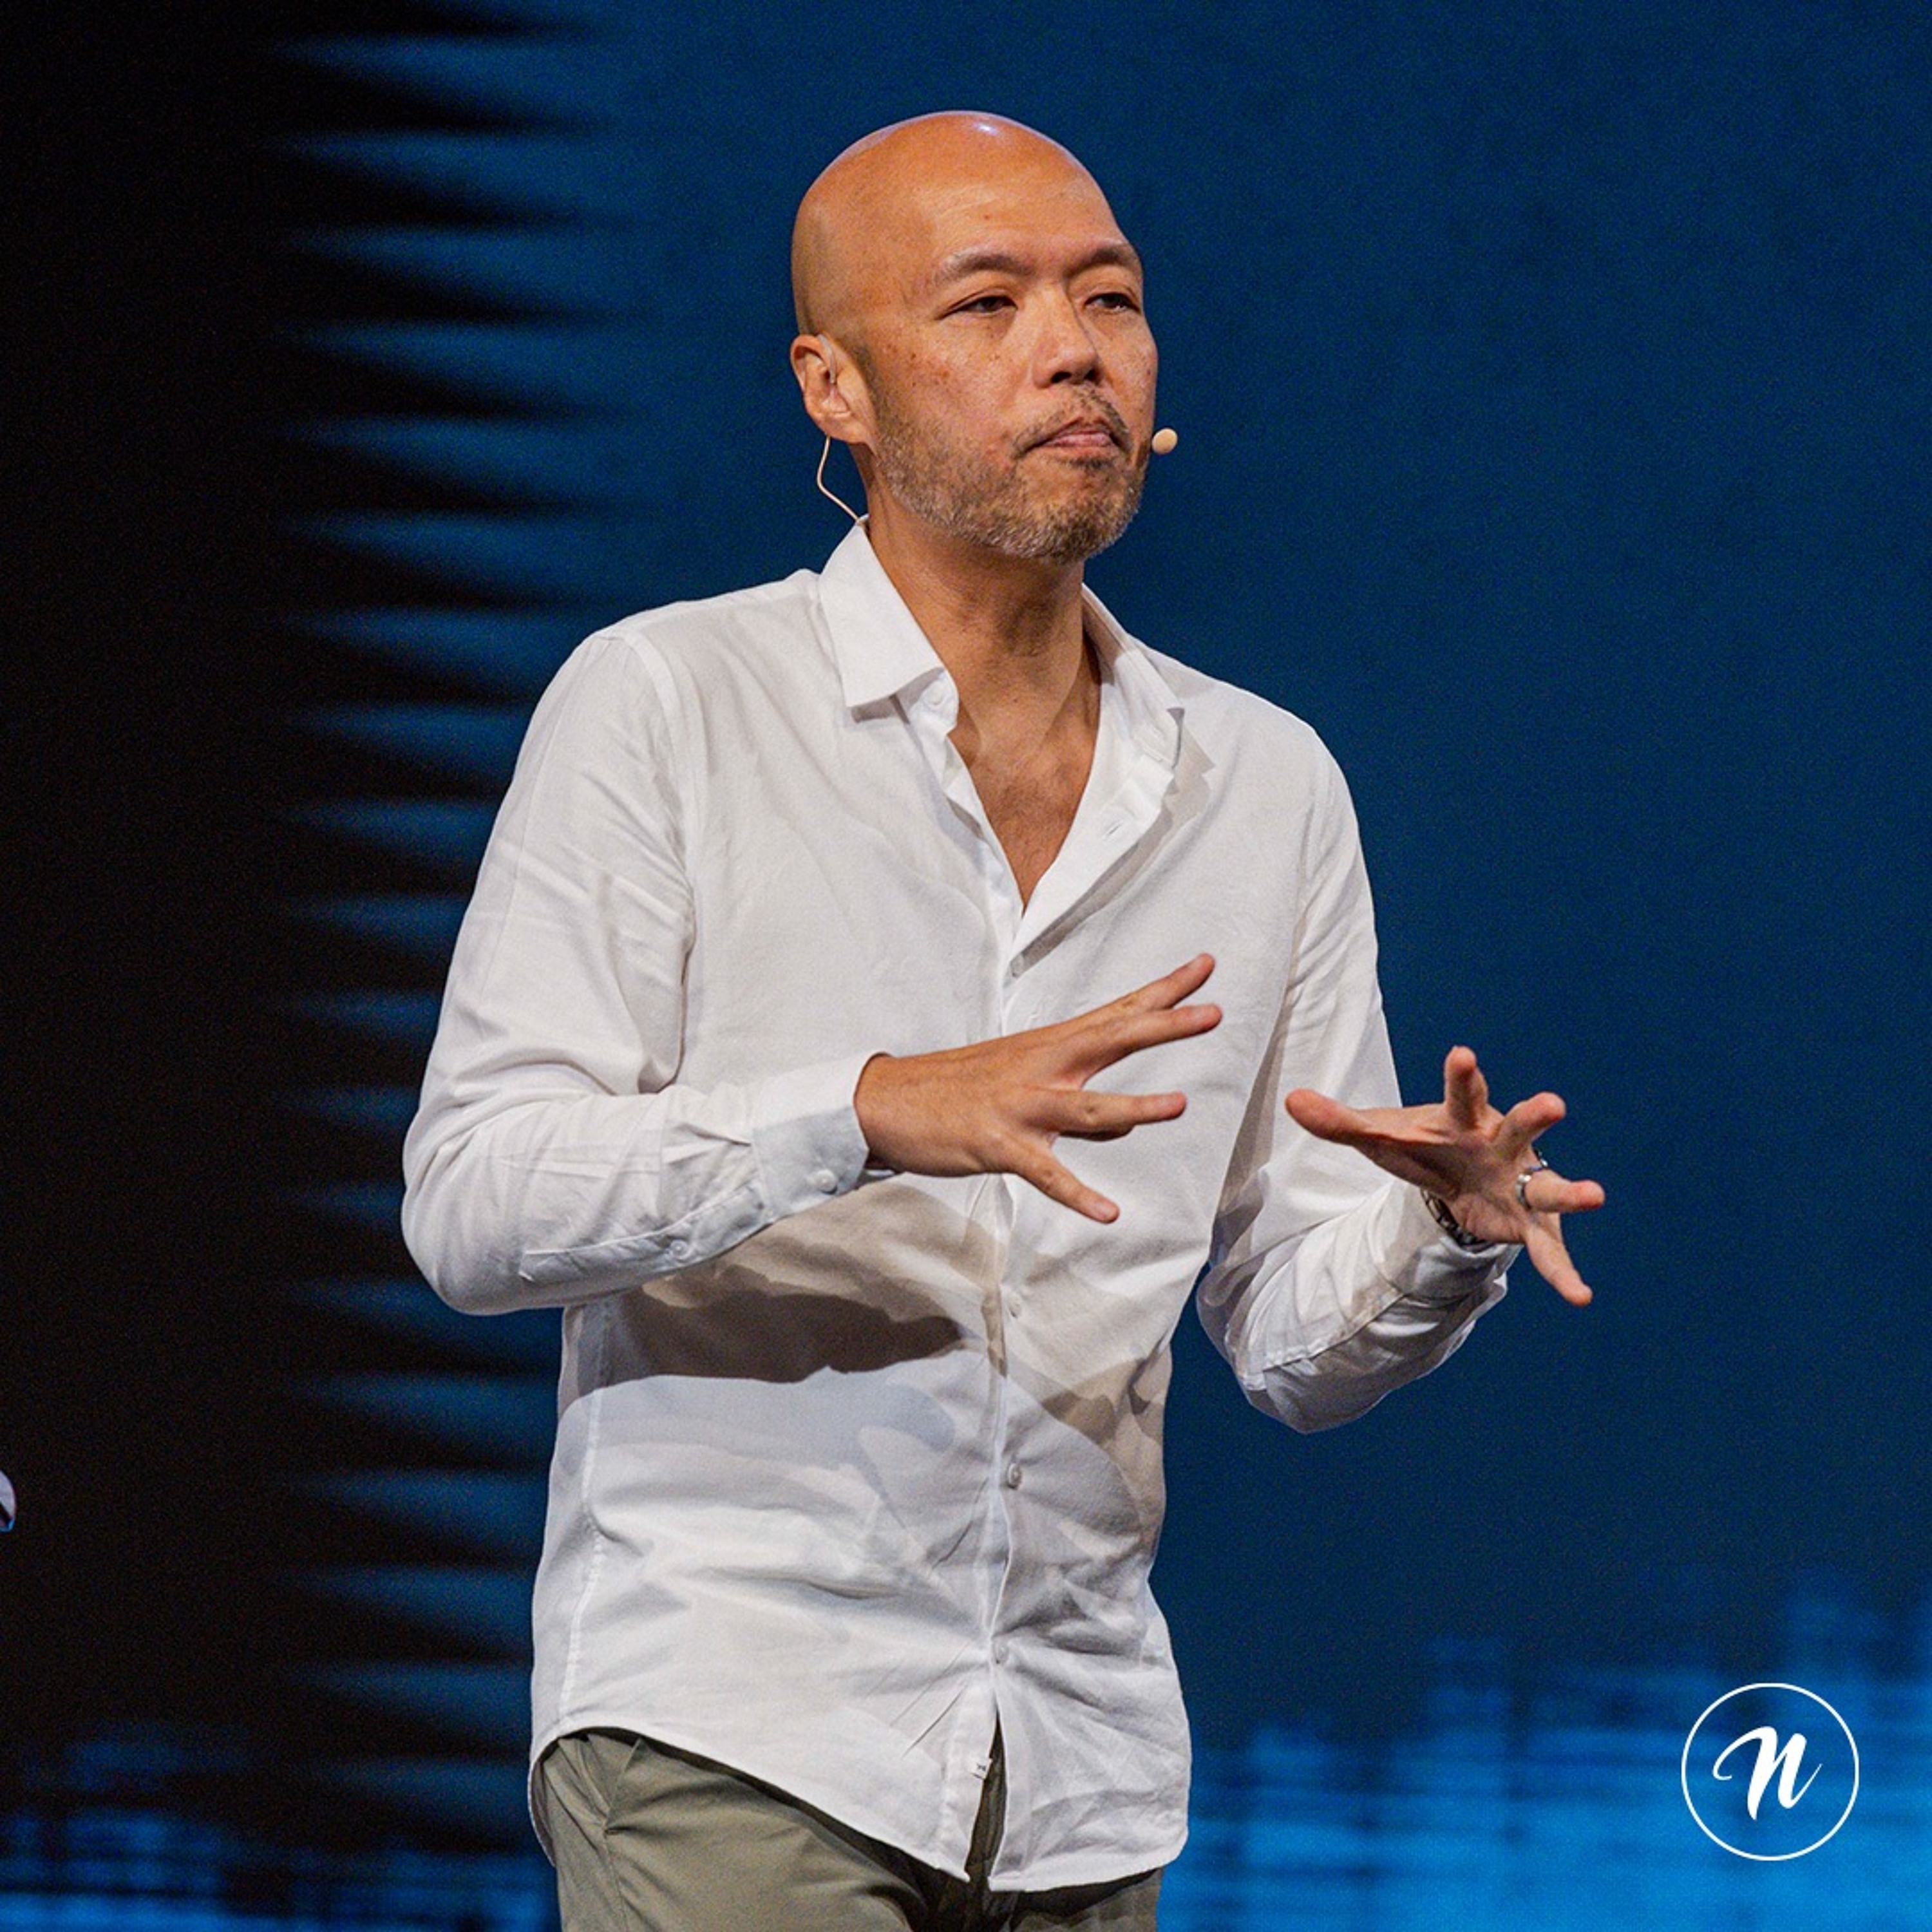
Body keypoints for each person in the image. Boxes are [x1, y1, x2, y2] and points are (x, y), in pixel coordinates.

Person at [401, 111, 1603, 1932]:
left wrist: (1439, 1236)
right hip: (735, 1719)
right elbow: (477, 1203)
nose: (1074, 349)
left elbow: (1289, 1340)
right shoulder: (669, 703)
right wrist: (867, 1109)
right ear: (836, 389)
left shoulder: (1263, 784)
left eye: (1110, 299)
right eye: (988, 304)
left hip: (1077, 1769)